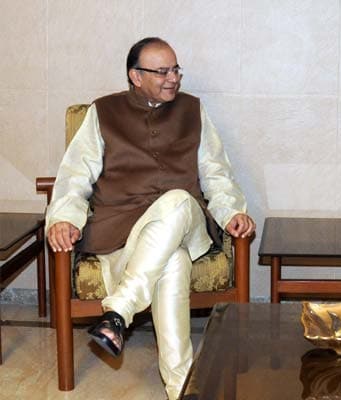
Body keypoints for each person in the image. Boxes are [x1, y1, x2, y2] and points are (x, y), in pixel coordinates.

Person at [45, 37, 255, 399]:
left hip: (187, 223)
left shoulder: (193, 110)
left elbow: (217, 175)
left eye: (175, 69)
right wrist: (64, 219)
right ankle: (182, 389)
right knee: (171, 262)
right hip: (122, 239)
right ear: (135, 76)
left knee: (176, 200)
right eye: (162, 71)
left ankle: (119, 311)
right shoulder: (103, 112)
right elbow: (74, 177)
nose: (173, 77)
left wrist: (233, 211)